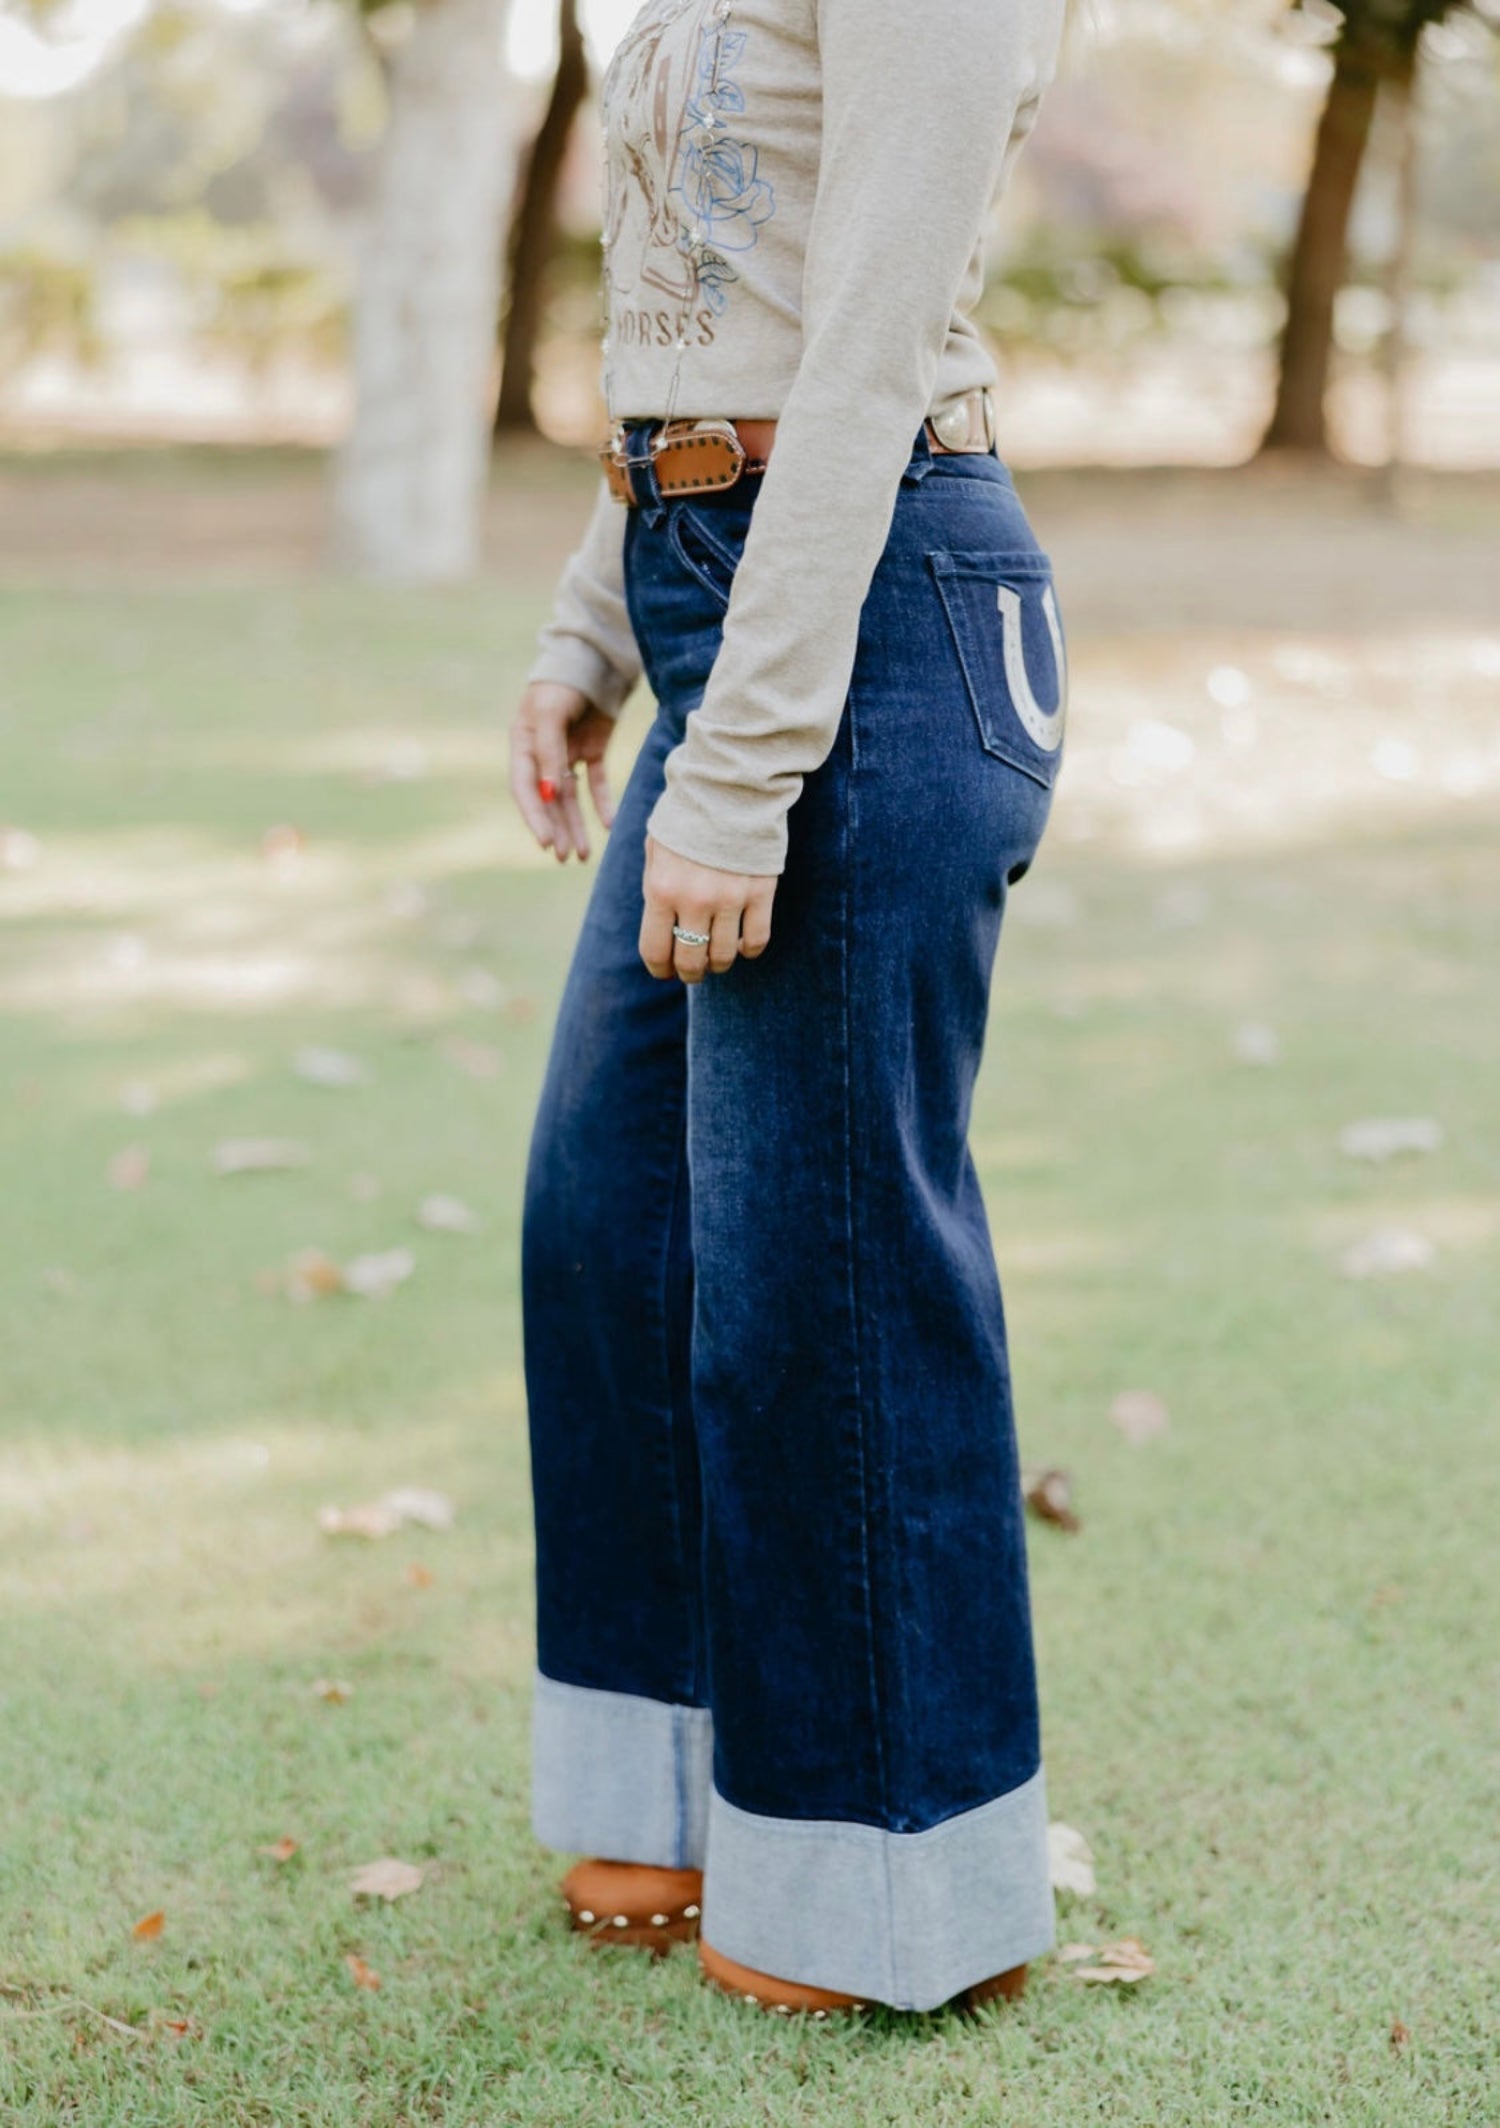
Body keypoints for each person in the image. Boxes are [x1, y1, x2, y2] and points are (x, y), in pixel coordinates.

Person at [509, 0, 1070, 2017]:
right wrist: (596, 629)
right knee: (611, 1216)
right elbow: (698, 299)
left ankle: (895, 1873)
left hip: (878, 609)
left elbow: (861, 345)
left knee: (824, 1270)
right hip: (712, 583)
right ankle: (674, 1786)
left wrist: (740, 766)